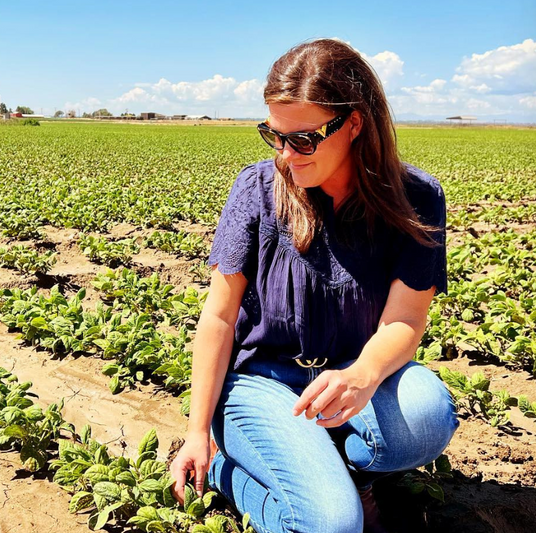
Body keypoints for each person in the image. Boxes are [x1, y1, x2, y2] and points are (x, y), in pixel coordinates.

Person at [168, 39, 459, 533]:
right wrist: (197, 432)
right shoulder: (257, 191)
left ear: (355, 124)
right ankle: (226, 470)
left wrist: (363, 374)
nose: (284, 155)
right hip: (263, 382)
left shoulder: (416, 199)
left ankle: (346, 468)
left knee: (429, 415)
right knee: (334, 526)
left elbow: (405, 320)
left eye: (302, 139)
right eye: (272, 135)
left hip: (352, 377)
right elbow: (218, 316)